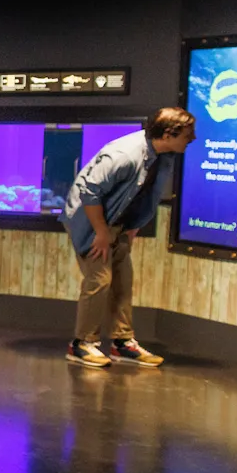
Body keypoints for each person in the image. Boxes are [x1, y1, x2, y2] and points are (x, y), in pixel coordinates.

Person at [61, 108, 197, 368]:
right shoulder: (124, 154)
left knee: (123, 280)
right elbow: (90, 193)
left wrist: (133, 226)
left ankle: (122, 343)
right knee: (100, 279)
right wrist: (100, 232)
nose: (193, 139)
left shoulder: (165, 154)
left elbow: (145, 192)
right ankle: (81, 344)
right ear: (170, 133)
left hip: (119, 222)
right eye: (188, 134)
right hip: (90, 219)